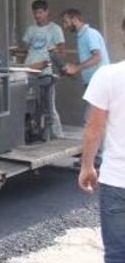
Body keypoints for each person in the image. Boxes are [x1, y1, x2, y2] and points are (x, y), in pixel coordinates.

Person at [78, 15, 125, 263]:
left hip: (117, 180)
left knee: (117, 254)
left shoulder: (108, 75)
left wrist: (87, 166)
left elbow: (93, 129)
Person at [21, 0, 66, 138]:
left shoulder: (55, 29)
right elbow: (25, 50)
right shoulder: (31, 29)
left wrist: (49, 60)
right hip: (29, 72)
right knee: (31, 106)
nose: (37, 16)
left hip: (46, 73)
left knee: (49, 107)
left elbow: (62, 52)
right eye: (35, 13)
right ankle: (36, 134)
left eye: (40, 12)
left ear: (47, 12)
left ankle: (58, 137)